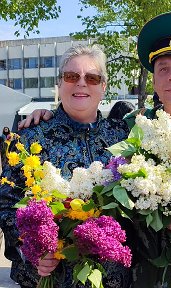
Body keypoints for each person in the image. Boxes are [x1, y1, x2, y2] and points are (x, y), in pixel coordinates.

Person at [18, 11, 171, 288]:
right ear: (153, 79)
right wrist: (48, 113)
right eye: (163, 68)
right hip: (141, 273)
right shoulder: (132, 128)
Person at [0, 44, 131, 288]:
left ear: (103, 87)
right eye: (72, 76)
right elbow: (7, 203)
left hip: (113, 278)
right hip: (50, 277)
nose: (81, 83)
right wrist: (32, 248)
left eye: (92, 77)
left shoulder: (123, 137)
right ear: (60, 84)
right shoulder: (29, 139)